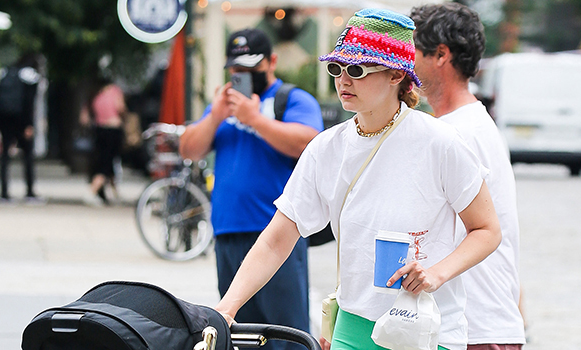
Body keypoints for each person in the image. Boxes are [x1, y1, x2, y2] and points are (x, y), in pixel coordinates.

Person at [214, 9, 502, 350]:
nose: (343, 80)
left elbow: (487, 230)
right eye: (337, 68)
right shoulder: (326, 148)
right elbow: (277, 238)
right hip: (352, 327)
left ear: (396, 74)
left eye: (357, 69)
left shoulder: (440, 142)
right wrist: (226, 308)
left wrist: (437, 273)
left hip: (426, 326)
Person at [179, 28, 323, 350]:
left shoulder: (292, 98)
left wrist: (255, 120)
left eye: (249, 67)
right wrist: (216, 115)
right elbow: (189, 148)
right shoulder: (222, 105)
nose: (242, 75)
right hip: (228, 231)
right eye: (236, 69)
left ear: (271, 61)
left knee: (286, 334)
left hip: (277, 234)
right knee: (236, 331)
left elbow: (310, 143)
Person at [410, 3, 526, 349]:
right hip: (478, 321)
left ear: (440, 55)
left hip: (475, 326)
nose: (405, 62)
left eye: (411, 50)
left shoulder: (458, 133)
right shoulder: (469, 124)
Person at [0, 54, 43, 204]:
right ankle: (29, 192)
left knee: (5, 158)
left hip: (4, 121)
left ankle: (4, 193)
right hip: (22, 121)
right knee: (27, 156)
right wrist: (29, 125)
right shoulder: (30, 75)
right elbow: (29, 103)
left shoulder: (6, 73)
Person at [80, 78, 126, 206]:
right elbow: (120, 108)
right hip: (113, 129)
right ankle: (92, 191)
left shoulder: (94, 93)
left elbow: (83, 117)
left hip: (99, 130)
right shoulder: (115, 91)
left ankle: (114, 192)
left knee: (106, 162)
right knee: (106, 163)